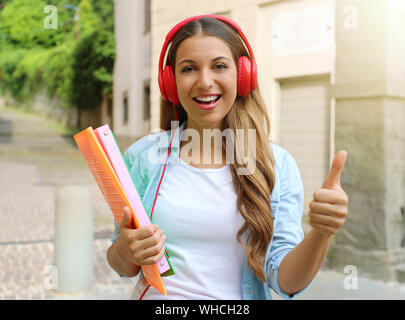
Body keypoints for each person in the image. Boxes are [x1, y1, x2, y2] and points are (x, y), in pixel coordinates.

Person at [106, 15, 349, 300]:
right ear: (171, 82)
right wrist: (125, 249)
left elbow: (286, 282)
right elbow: (124, 265)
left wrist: (321, 233)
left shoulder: (277, 165)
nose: (205, 81)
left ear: (243, 75)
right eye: (189, 69)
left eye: (219, 66)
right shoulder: (142, 157)